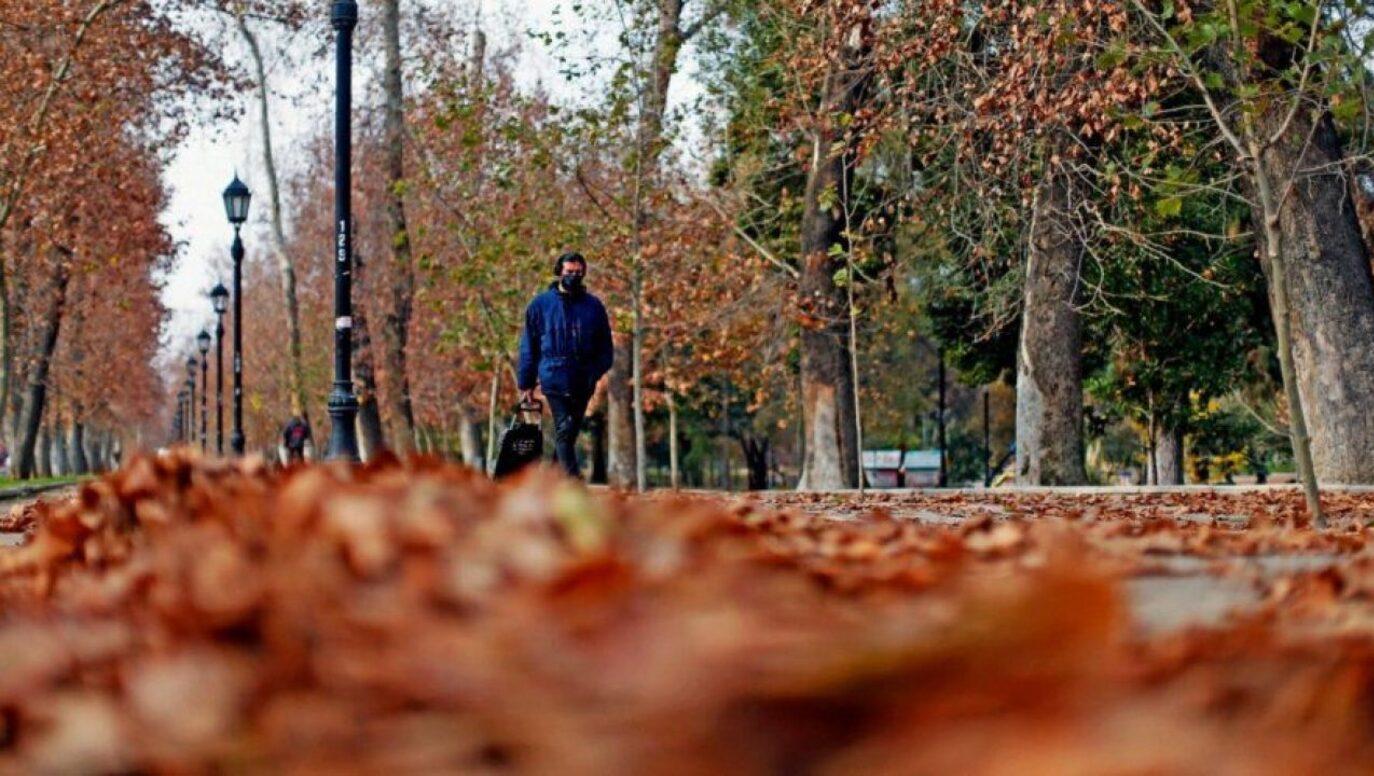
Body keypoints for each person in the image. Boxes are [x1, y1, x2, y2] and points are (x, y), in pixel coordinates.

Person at [517, 251, 614, 478]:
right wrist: (526, 383)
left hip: (584, 379)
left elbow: (606, 348)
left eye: (578, 272)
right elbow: (529, 348)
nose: (574, 276)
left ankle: (548, 480)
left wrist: (594, 373)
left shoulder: (594, 306)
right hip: (553, 378)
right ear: (560, 271)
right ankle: (573, 482)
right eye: (570, 272)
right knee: (565, 429)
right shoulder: (539, 305)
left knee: (568, 433)